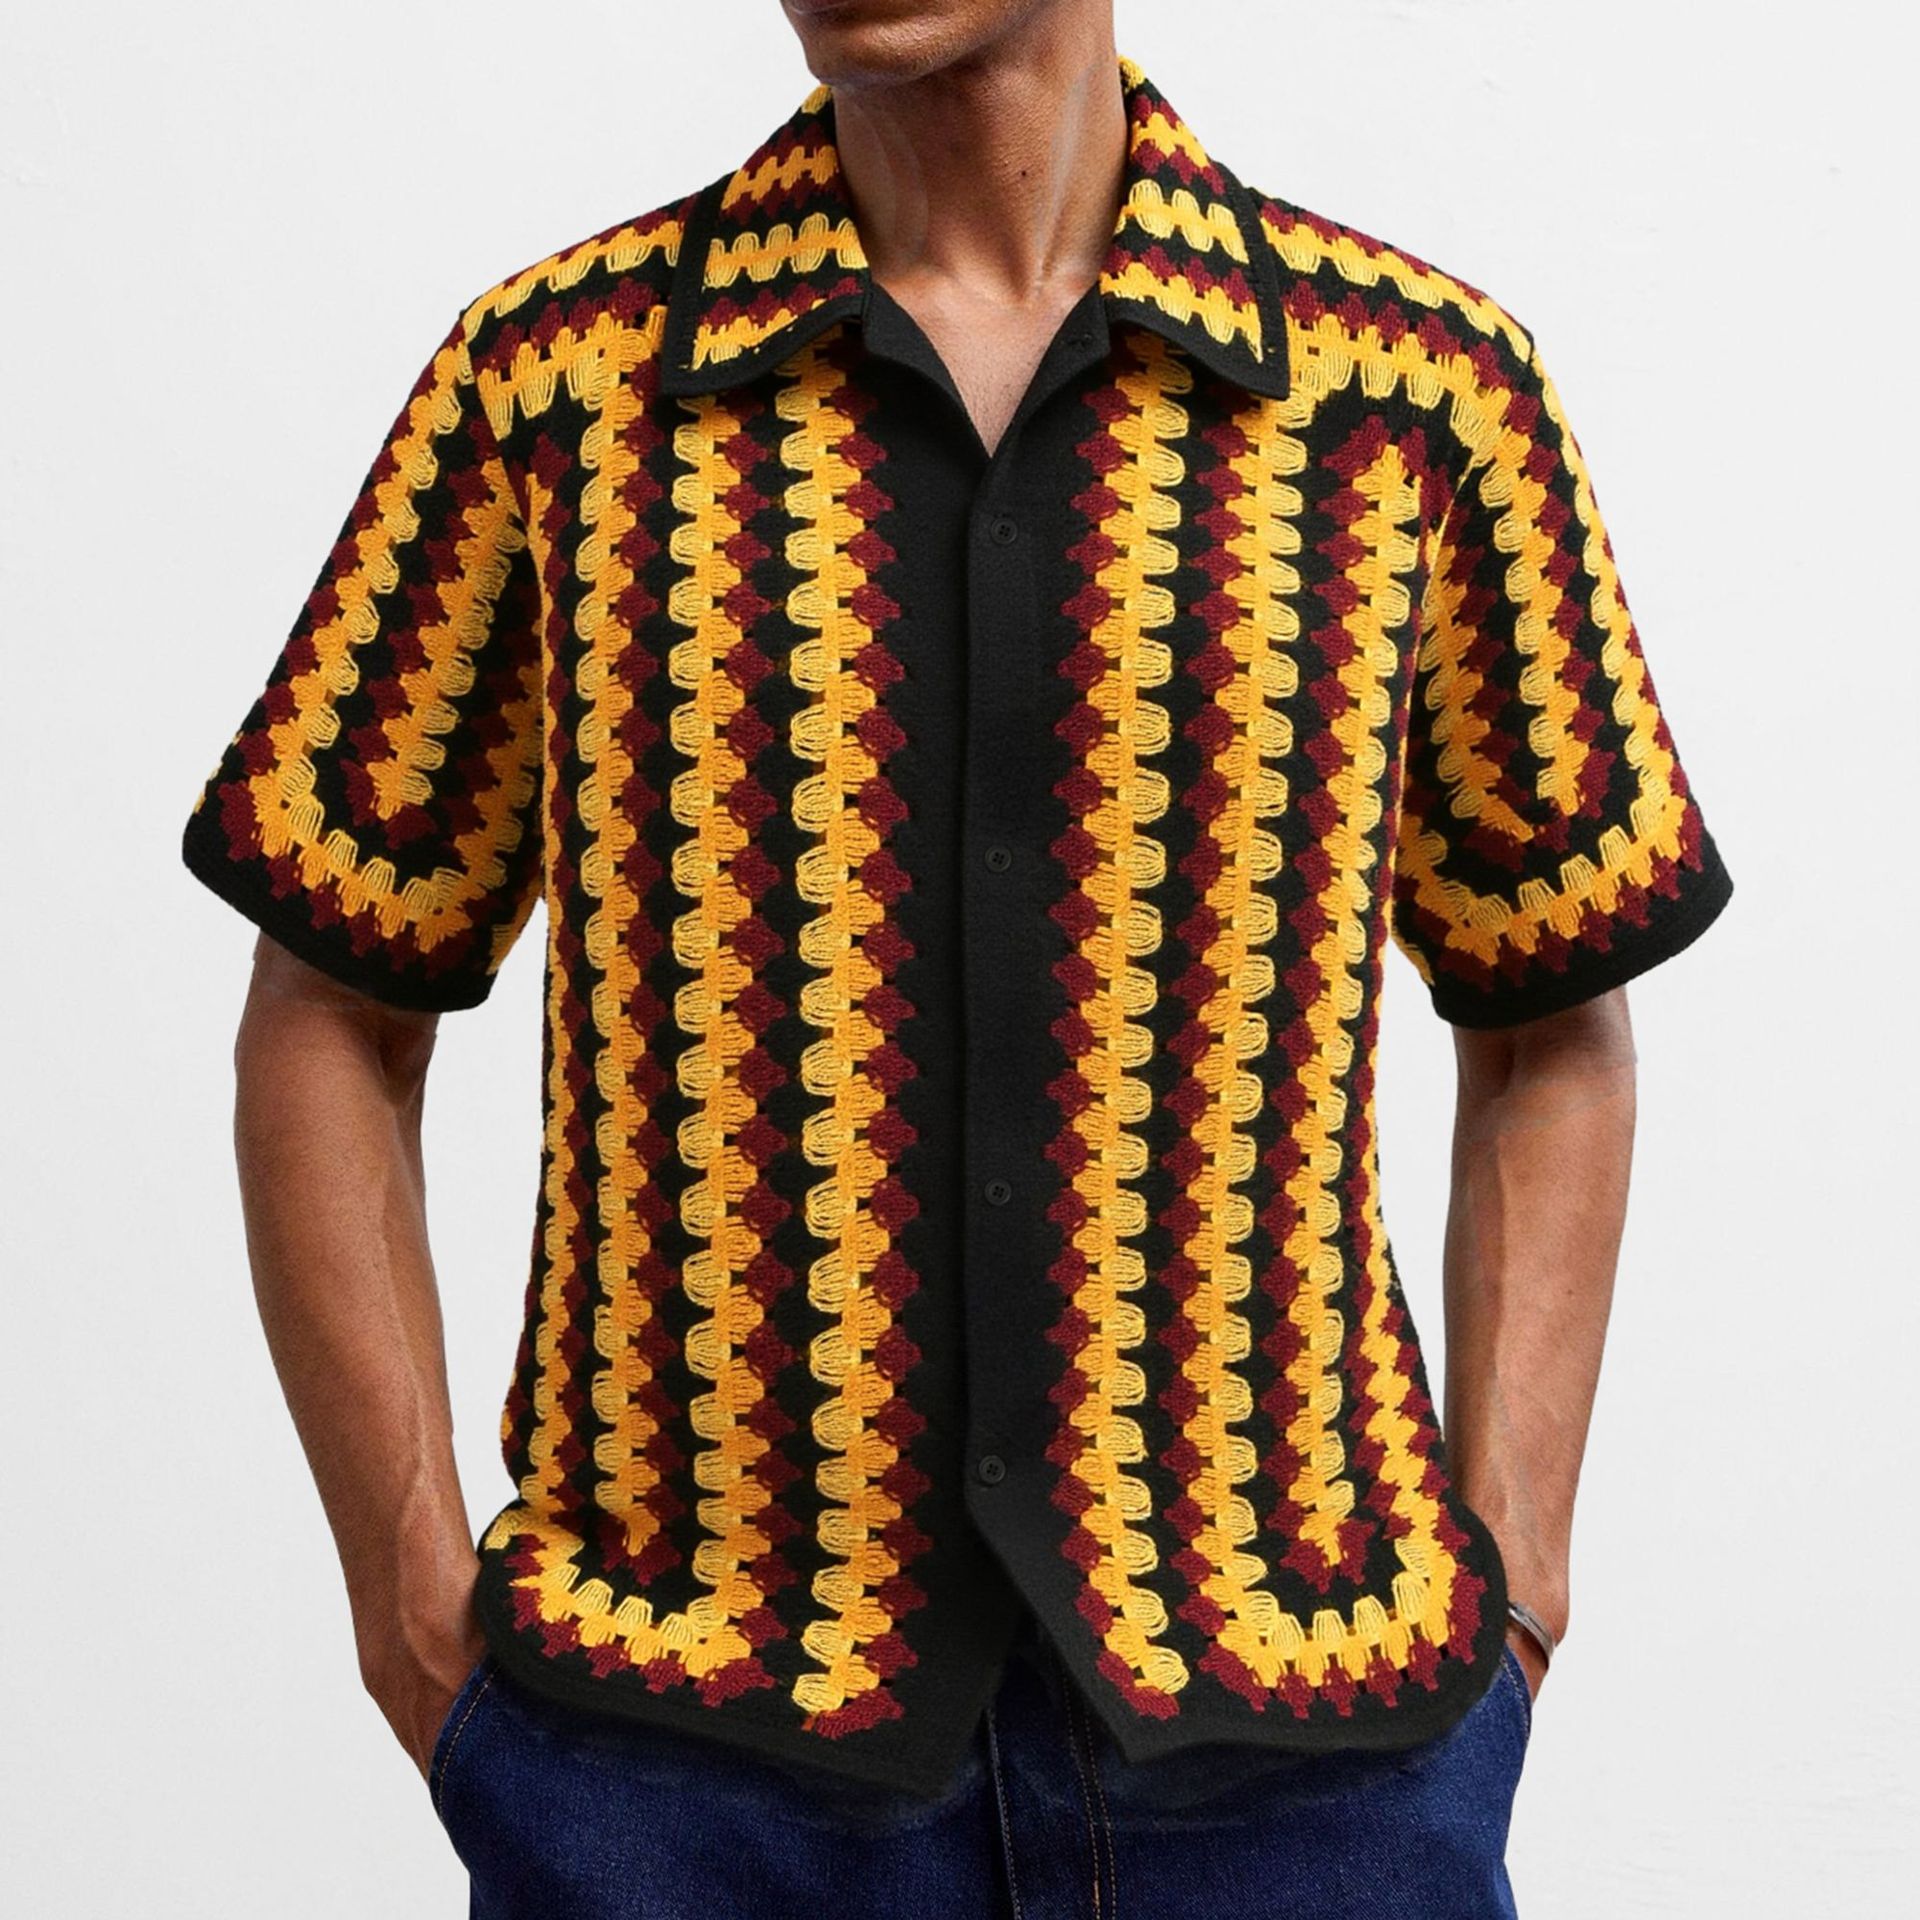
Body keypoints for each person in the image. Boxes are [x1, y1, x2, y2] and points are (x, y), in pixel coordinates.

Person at [179, 2, 1732, 1913]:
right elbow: (332, 1002)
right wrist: (415, 1615)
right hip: (682, 1770)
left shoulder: (1417, 398)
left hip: (1310, 1755)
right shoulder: (555, 392)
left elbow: (1555, 1011)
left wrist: (1521, 1590)